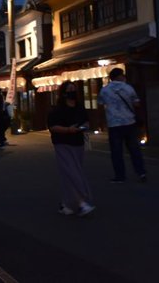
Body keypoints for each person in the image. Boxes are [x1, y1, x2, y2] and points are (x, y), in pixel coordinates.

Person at [48, 81, 95, 216]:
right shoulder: (57, 110)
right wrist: (68, 129)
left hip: (78, 143)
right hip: (62, 143)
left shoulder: (79, 108)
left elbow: (86, 121)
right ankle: (81, 203)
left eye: (74, 89)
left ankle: (66, 203)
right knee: (73, 172)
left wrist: (83, 127)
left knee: (70, 173)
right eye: (69, 89)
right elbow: (53, 126)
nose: (72, 91)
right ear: (63, 93)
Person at [97, 67, 147, 183]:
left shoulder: (105, 90)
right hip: (129, 122)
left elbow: (100, 106)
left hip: (114, 124)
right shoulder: (128, 88)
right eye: (123, 75)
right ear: (119, 76)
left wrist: (101, 121)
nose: (124, 77)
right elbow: (137, 104)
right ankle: (141, 172)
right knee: (134, 149)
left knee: (116, 151)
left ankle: (120, 176)